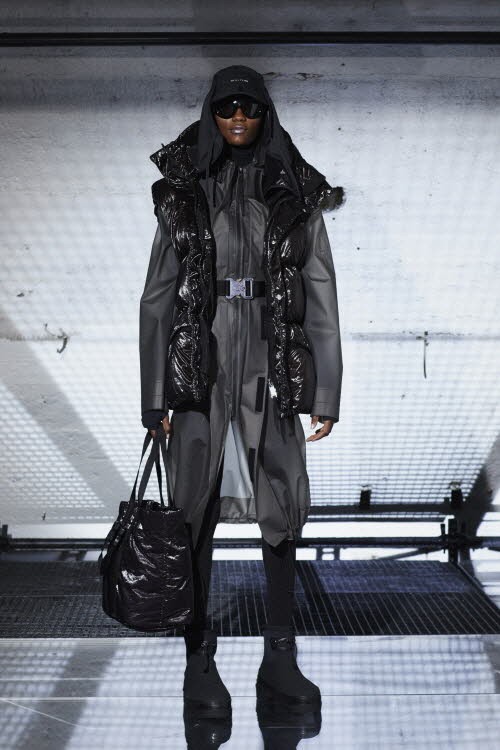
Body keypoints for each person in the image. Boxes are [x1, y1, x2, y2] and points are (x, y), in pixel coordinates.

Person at [139, 65, 344, 719]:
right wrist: (154, 397)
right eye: (226, 106)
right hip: (200, 360)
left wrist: (325, 393)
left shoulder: (295, 193)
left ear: (265, 115)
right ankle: (198, 659)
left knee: (281, 499)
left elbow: (320, 292)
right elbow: (158, 295)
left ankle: (279, 656)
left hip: (270, 354)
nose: (237, 117)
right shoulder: (184, 192)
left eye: (249, 107)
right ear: (211, 113)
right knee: (193, 503)